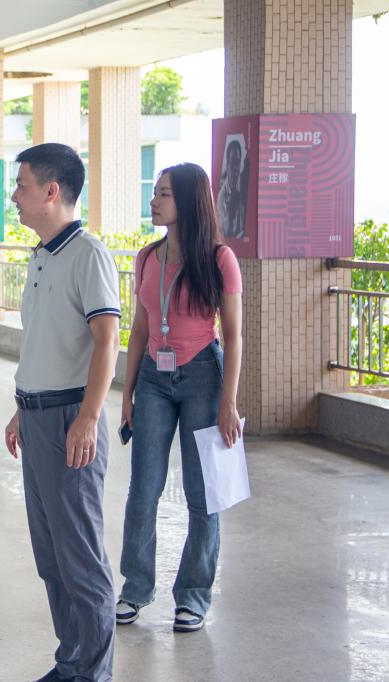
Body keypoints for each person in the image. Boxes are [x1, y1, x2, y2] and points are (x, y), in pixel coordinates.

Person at [2, 143, 120, 682]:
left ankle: (94, 671)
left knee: (80, 558)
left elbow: (107, 340)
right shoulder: (42, 254)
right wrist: (21, 408)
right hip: (37, 416)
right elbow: (44, 344)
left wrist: (89, 418)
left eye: (21, 186)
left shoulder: (87, 254)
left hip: (71, 418)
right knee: (51, 556)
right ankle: (71, 659)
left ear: (51, 191)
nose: (15, 196)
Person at [116, 162, 243, 633]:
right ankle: (135, 587)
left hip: (203, 377)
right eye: (155, 192)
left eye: (164, 194)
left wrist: (228, 403)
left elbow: (234, 335)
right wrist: (127, 393)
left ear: (188, 200)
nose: (154, 201)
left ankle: (193, 597)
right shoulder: (147, 258)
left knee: (201, 494)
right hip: (153, 377)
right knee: (143, 489)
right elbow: (139, 328)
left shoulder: (219, 259)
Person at [217, 139, 247, 239]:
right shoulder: (221, 197)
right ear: (227, 164)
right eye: (232, 162)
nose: (235, 168)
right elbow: (223, 233)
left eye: (237, 162)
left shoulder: (243, 189)